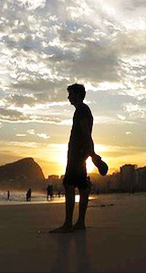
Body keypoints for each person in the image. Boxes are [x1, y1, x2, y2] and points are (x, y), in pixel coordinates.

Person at [50, 83, 106, 233]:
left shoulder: (82, 110)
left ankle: (69, 223)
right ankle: (80, 222)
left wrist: (92, 153)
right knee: (82, 187)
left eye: (70, 94)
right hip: (80, 155)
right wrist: (91, 154)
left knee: (69, 185)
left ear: (77, 95)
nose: (68, 97)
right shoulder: (82, 110)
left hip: (77, 156)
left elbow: (86, 133)